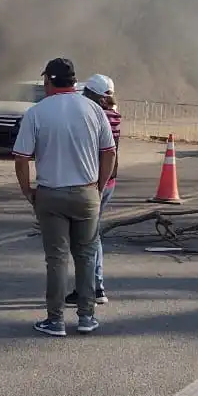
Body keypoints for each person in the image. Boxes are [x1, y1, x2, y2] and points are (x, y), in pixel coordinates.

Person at [12, 57, 115, 337]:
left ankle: (55, 320)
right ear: (73, 81)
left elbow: (21, 158)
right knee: (86, 255)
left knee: (56, 259)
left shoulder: (37, 112)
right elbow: (109, 152)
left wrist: (27, 191)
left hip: (51, 194)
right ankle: (86, 317)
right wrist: (100, 185)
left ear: (49, 81)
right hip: (87, 193)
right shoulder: (94, 109)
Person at [67, 74, 120, 307]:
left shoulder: (94, 116)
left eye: (86, 93)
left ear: (93, 95)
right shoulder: (114, 115)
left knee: (85, 238)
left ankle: (91, 288)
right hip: (108, 182)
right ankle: (95, 287)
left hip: (93, 183)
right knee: (92, 234)